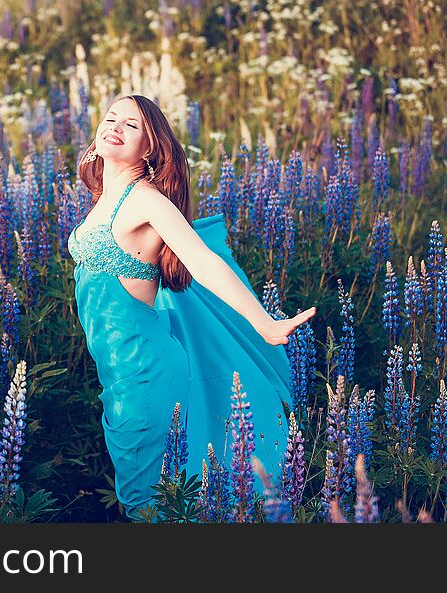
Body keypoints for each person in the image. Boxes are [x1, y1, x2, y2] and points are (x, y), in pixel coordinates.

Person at [67, 94, 316, 520]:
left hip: (143, 371)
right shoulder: (104, 198)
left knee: (144, 502)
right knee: (145, 493)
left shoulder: (145, 200)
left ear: (149, 147)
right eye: (111, 118)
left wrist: (264, 323)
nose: (114, 126)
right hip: (118, 373)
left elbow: (201, 261)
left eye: (131, 125)